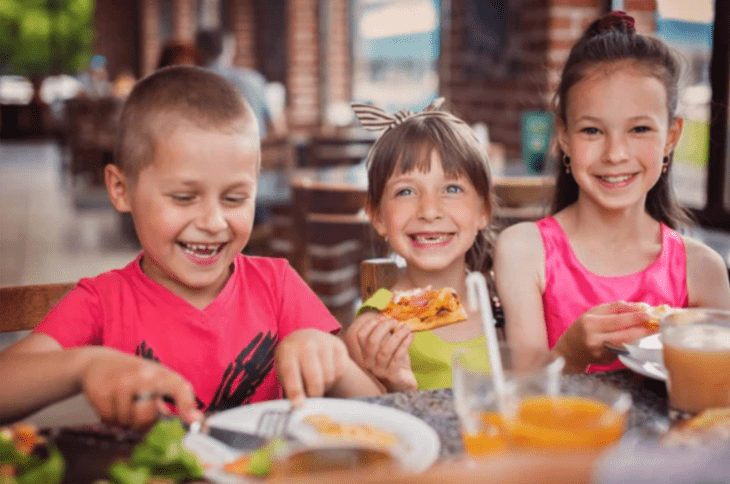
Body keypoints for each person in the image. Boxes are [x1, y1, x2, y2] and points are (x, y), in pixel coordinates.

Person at [0, 66, 380, 430]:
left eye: (234, 199)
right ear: (121, 190)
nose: (213, 222)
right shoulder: (102, 301)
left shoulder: (278, 285)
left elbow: (377, 408)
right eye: (184, 198)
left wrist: (334, 361)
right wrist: (83, 367)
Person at [493, 11, 730, 373]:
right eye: (592, 131)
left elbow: (715, 399)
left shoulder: (703, 270)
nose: (615, 154)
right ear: (564, 137)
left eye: (639, 130)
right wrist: (571, 352)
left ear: (671, 137)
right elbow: (524, 393)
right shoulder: (524, 251)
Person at [344, 98, 497, 392]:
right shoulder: (372, 332)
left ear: (483, 211)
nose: (429, 211)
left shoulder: (509, 303)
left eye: (452, 189)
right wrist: (397, 387)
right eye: (405, 191)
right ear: (377, 216)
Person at [195, 29, 276, 139]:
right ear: (230, 50)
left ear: (199, 51)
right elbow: (274, 126)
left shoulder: (197, 82)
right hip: (258, 150)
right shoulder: (254, 78)